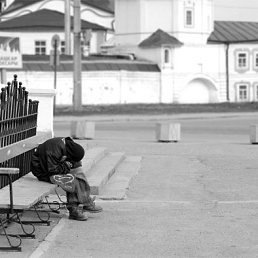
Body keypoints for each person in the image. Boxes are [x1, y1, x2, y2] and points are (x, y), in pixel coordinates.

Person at [30, 137, 102, 221]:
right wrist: (67, 166)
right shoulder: (54, 150)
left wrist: (72, 166)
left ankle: (84, 203)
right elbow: (52, 170)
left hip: (53, 167)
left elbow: (75, 163)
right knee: (71, 180)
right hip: (43, 172)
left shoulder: (68, 145)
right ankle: (75, 209)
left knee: (79, 173)